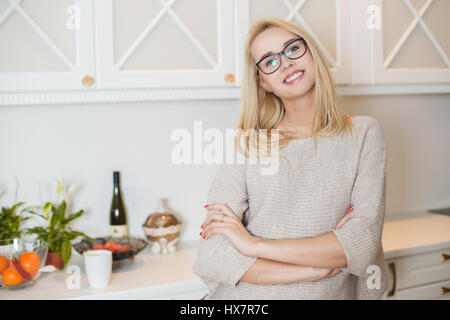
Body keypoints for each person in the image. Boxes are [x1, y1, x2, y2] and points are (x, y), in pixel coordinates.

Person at [192, 18, 388, 300]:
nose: (286, 63)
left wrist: (253, 245)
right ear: (263, 82)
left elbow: (361, 244)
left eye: (292, 49)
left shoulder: (365, 135)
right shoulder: (248, 144)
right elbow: (215, 254)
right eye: (269, 62)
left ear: (311, 53)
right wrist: (315, 269)